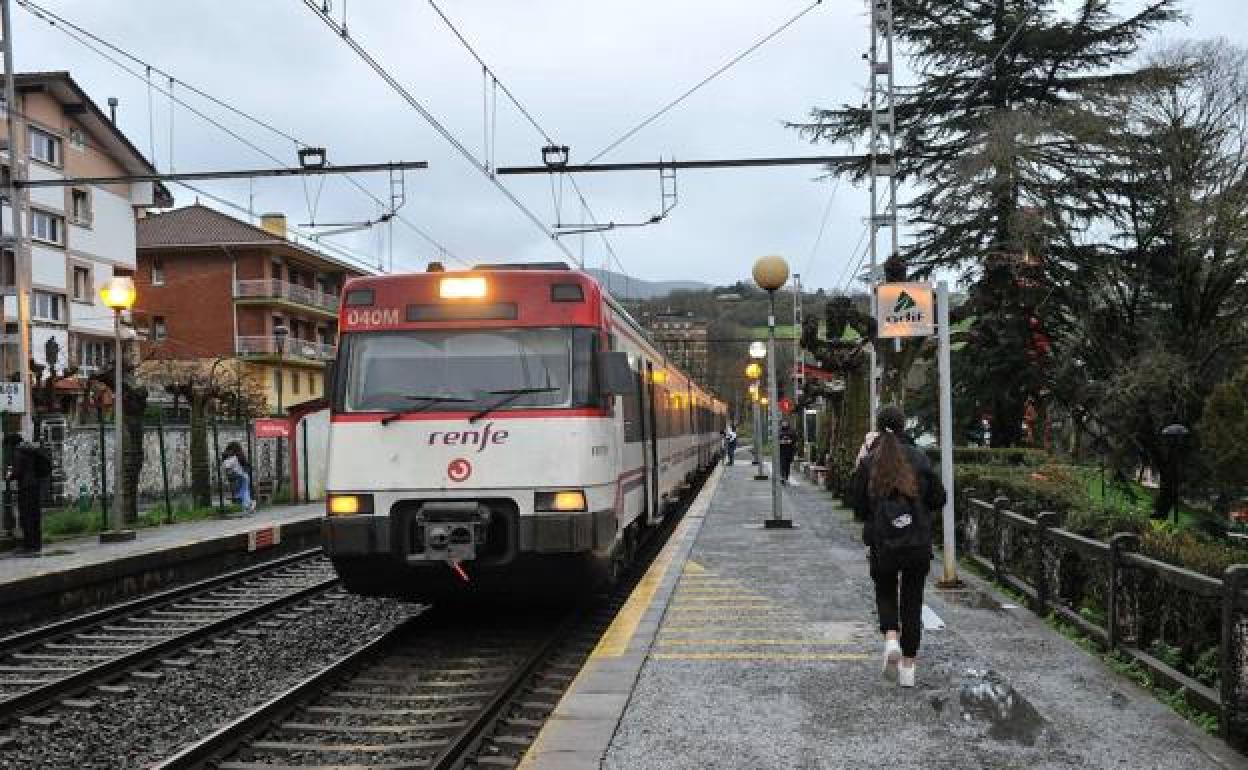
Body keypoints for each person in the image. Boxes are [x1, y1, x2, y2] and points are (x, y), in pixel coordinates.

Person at [849, 404, 945, 688]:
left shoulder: (870, 462)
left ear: (878, 428)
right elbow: (938, 499)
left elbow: (858, 507)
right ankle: (908, 669)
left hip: (883, 542)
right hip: (917, 543)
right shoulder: (920, 458)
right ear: (904, 427)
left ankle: (891, 638)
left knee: (885, 591)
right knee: (912, 601)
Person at [10, 439, 51, 557]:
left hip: (26, 488)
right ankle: (37, 544)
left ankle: (29, 545)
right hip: (36, 486)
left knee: (26, 516)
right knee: (35, 516)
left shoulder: (18, 452)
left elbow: (17, 472)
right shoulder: (31, 450)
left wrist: (10, 475)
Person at [221, 441, 256, 514]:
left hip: (236, 477)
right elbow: (247, 466)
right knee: (244, 491)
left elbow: (226, 468)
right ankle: (249, 505)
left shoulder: (227, 457)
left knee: (243, 492)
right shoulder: (238, 456)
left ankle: (247, 506)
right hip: (242, 476)